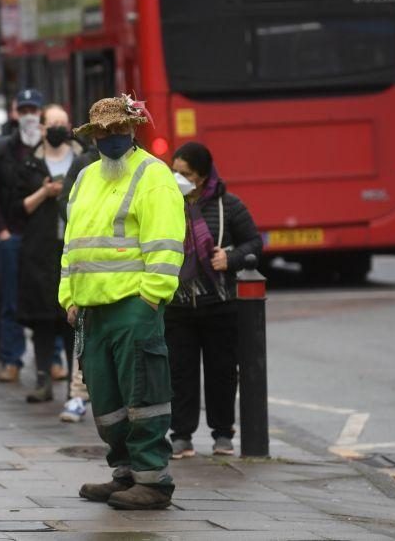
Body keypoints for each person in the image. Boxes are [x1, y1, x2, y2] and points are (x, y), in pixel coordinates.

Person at [60, 94, 185, 511]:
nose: (111, 137)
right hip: (92, 310)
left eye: (118, 130)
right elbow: (73, 245)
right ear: (93, 136)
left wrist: (151, 298)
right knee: (108, 403)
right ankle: (126, 474)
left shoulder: (153, 175)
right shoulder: (85, 178)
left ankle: (153, 481)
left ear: (132, 130)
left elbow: (165, 243)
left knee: (144, 397)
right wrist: (69, 297)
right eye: (103, 132)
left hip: (134, 305)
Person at [166, 142, 262, 459]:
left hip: (219, 304)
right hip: (178, 306)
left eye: (186, 174)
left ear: (203, 175)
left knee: (222, 371)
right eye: (174, 172)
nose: (179, 179)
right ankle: (181, 435)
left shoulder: (229, 205)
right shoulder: (165, 204)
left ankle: (223, 434)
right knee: (180, 372)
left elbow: (254, 242)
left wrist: (231, 257)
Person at [15, 104, 83, 403]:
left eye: (62, 123)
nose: (57, 129)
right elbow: (18, 208)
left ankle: (74, 384)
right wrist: (45, 193)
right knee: (42, 317)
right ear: (41, 128)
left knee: (71, 317)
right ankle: (43, 378)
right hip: (40, 251)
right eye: (52, 123)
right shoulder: (30, 164)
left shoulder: (84, 162)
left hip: (73, 249)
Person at [0, 89, 44, 382]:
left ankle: (53, 358)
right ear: (15, 113)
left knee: (48, 299)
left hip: (42, 236)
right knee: (10, 298)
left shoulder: (50, 147)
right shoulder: (1, 149)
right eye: (24, 110)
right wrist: (1, 231)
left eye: (34, 110)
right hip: (12, 234)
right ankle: (11, 359)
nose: (29, 116)